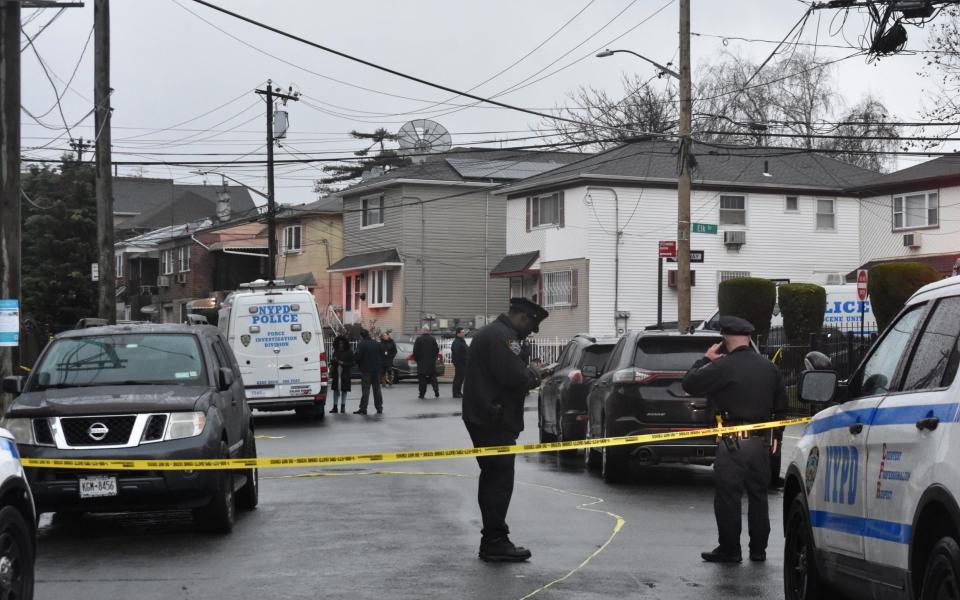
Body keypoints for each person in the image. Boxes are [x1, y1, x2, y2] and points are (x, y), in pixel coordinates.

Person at [681, 316, 788, 564]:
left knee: (729, 496)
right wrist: (777, 437)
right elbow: (782, 407)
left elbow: (690, 383)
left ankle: (730, 549)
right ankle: (759, 550)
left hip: (732, 443)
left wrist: (706, 359)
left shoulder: (723, 366)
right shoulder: (769, 367)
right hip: (761, 443)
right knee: (759, 496)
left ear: (725, 339)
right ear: (749, 338)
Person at [462, 298, 548, 562]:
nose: (531, 332)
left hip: (487, 415)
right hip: (493, 419)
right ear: (522, 316)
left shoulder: (494, 334)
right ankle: (495, 541)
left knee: (492, 477)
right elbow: (516, 378)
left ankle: (493, 537)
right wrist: (534, 373)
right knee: (499, 480)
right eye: (531, 325)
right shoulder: (503, 337)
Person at [354, 329, 383, 415]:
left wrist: (357, 363)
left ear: (361, 336)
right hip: (376, 370)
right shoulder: (376, 343)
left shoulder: (361, 344)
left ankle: (363, 408)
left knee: (366, 389)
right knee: (377, 389)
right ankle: (379, 408)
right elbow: (381, 355)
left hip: (366, 370)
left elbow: (357, 357)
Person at [413, 326, 440, 399]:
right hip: (431, 362)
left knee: (422, 379)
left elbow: (415, 351)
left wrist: (417, 360)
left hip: (421, 362)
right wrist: (433, 358)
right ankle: (436, 391)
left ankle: (422, 393)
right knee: (433, 377)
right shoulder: (433, 339)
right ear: (428, 331)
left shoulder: (419, 339)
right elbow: (437, 350)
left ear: (423, 330)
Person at [329, 335, 354, 414]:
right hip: (337, 373)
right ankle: (335, 407)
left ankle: (343, 406)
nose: (340, 345)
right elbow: (332, 361)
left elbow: (352, 363)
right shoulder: (336, 351)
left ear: (345, 343)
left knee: (344, 390)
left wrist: (343, 363)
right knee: (335, 390)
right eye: (339, 343)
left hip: (345, 373)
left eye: (342, 343)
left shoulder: (349, 351)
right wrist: (333, 361)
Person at [451, 327, 469, 399]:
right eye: (462, 332)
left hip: (463, 363)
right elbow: (456, 353)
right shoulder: (457, 342)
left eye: (464, 332)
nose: (463, 333)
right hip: (460, 363)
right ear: (458, 333)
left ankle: (458, 392)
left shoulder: (462, 341)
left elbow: (466, 350)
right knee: (458, 379)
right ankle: (456, 393)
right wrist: (458, 363)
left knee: (460, 379)